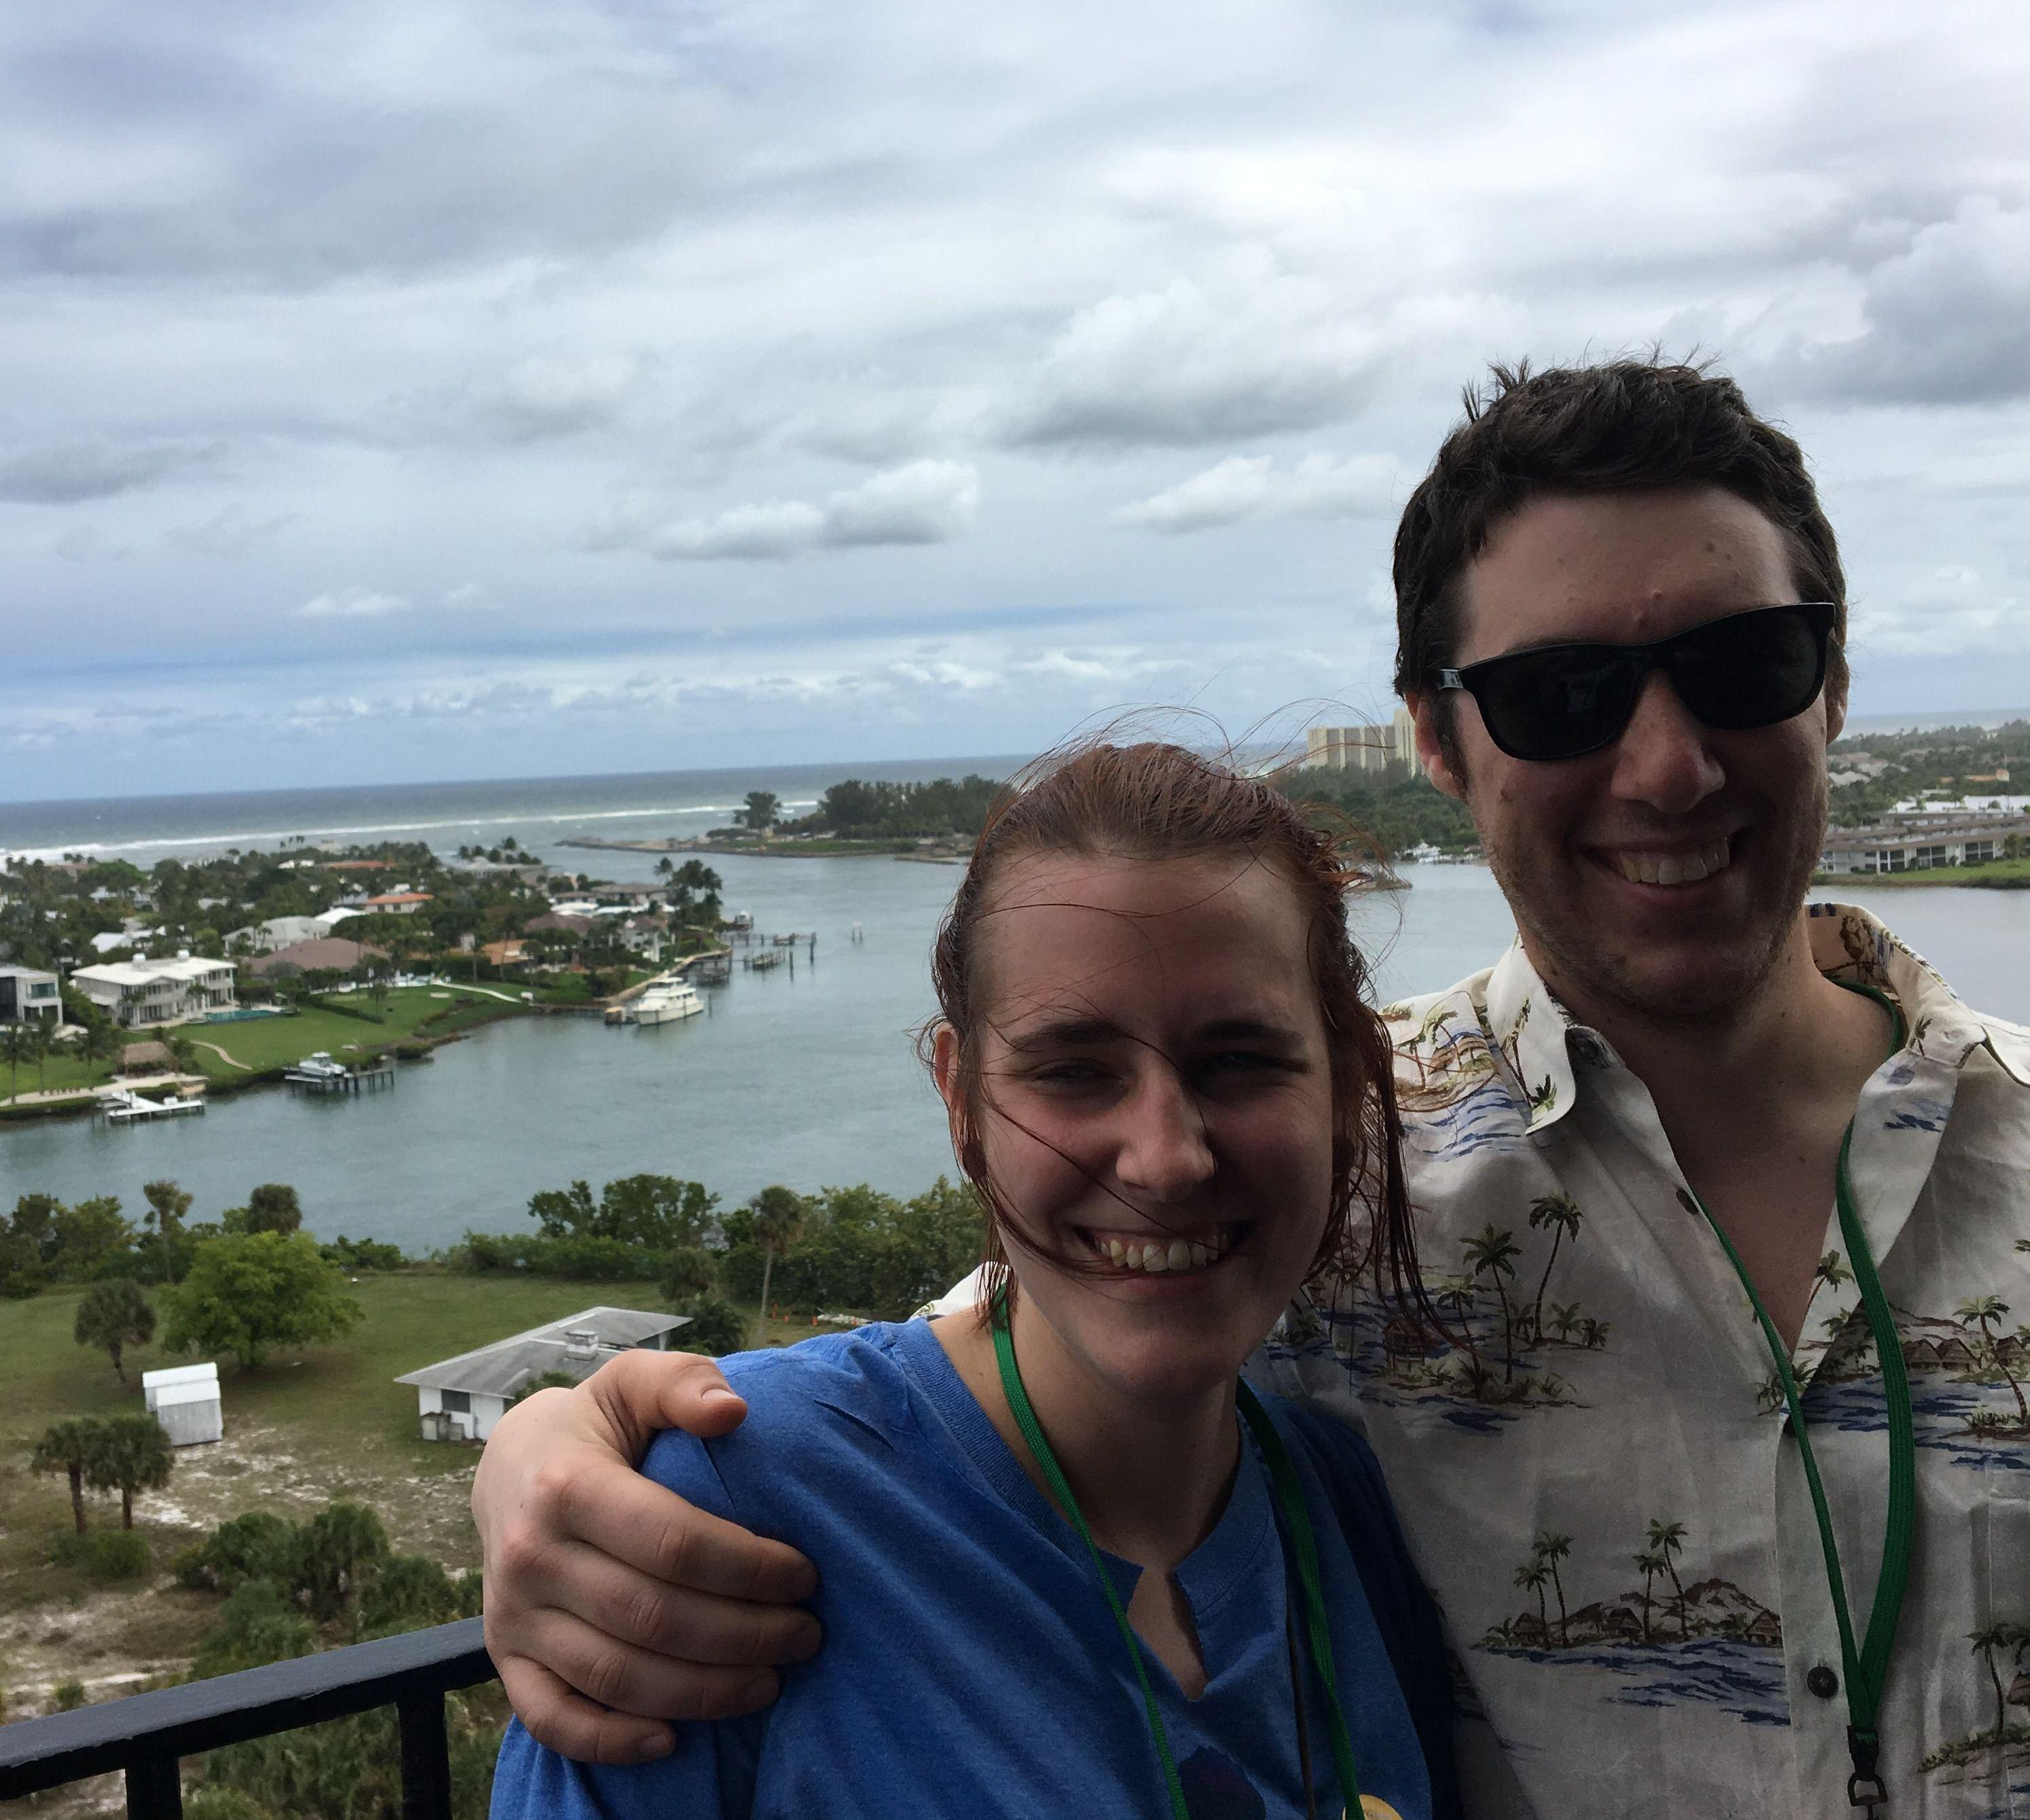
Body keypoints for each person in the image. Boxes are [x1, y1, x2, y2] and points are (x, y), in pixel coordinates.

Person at [474, 361, 2030, 1819]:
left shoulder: (1313, 1181)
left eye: (1741, 664)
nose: (1669, 765)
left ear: (1829, 684)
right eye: (1562, 695)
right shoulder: (1342, 1172)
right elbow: (1021, 1333)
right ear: (1436, 733)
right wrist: (560, 1444)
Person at [490, 741, 1463, 1819]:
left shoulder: (1341, 1507)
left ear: (1342, 1089)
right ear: (961, 1101)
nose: (1167, 1156)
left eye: (1240, 1060)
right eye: (1073, 1071)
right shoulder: (741, 1511)